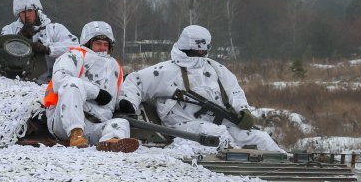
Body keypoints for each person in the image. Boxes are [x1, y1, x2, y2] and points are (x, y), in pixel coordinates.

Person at [117, 24, 284, 153]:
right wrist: (128, 102)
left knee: (260, 138)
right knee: (217, 135)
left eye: (205, 47)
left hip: (221, 121)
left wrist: (243, 110)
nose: (203, 51)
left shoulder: (216, 69)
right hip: (183, 125)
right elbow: (134, 82)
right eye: (199, 47)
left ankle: (284, 163)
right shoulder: (166, 71)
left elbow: (234, 90)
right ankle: (239, 164)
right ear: (188, 45)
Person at [44, 21, 139, 153]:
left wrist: (122, 102)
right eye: (98, 43)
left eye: (106, 44)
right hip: (63, 120)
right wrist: (96, 93)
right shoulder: (73, 56)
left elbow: (118, 93)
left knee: (121, 123)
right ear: (88, 43)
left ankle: (111, 142)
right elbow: (61, 80)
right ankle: (75, 133)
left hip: (94, 124)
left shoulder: (115, 66)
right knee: (73, 83)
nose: (103, 48)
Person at [2, 0, 77, 83]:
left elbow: (74, 47)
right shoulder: (10, 29)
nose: (27, 15)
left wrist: (47, 49)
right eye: (23, 12)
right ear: (18, 14)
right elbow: (0, 54)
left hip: (48, 83)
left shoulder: (54, 29)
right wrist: (19, 39)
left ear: (37, 10)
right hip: (15, 83)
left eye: (30, 10)